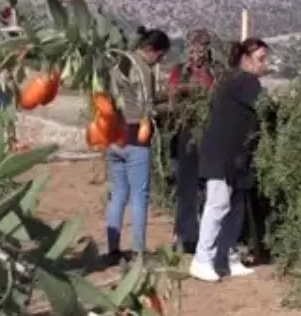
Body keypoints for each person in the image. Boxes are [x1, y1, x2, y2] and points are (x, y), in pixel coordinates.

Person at [190, 37, 271, 282]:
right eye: (261, 59)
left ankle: (228, 257)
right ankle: (202, 259)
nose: (265, 64)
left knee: (235, 208)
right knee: (218, 205)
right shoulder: (245, 82)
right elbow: (266, 108)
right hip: (222, 155)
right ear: (246, 59)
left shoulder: (239, 82)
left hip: (238, 157)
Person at [106, 26, 171, 264]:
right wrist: (165, 108)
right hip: (136, 137)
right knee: (139, 196)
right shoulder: (142, 68)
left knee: (118, 194)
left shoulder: (118, 62)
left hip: (114, 137)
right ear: (151, 50)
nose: (159, 61)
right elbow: (146, 106)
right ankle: (139, 251)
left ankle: (113, 249)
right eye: (160, 56)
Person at [167, 29, 217, 255]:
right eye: (194, 48)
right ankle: (185, 236)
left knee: (208, 190)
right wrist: (188, 91)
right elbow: (171, 96)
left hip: (208, 136)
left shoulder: (214, 73)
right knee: (186, 188)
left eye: (202, 48)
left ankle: (205, 236)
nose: (197, 53)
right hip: (186, 135)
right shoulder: (180, 72)